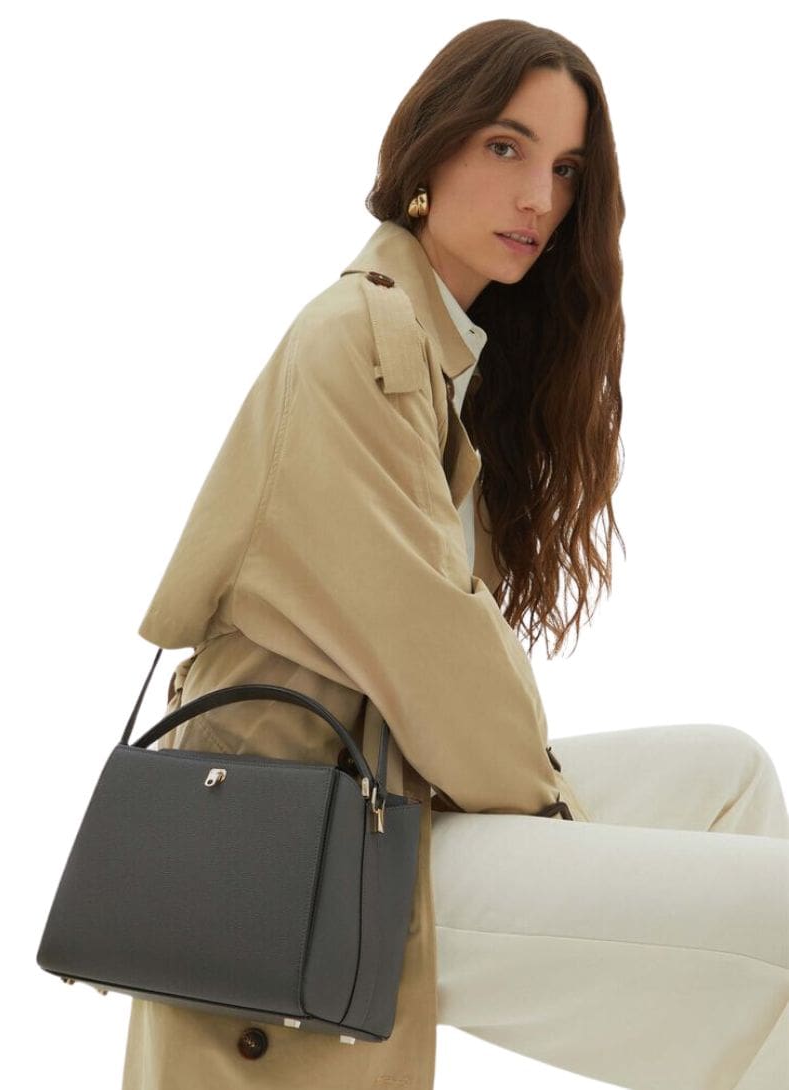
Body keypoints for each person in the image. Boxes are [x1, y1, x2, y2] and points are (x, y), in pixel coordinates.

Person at [119, 18, 789, 1090]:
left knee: (727, 773)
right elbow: (434, 652)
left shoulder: (442, 351)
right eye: (506, 147)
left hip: (393, 787)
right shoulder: (359, 340)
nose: (539, 198)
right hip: (316, 840)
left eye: (565, 169)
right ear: (429, 152)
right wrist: (556, 819)